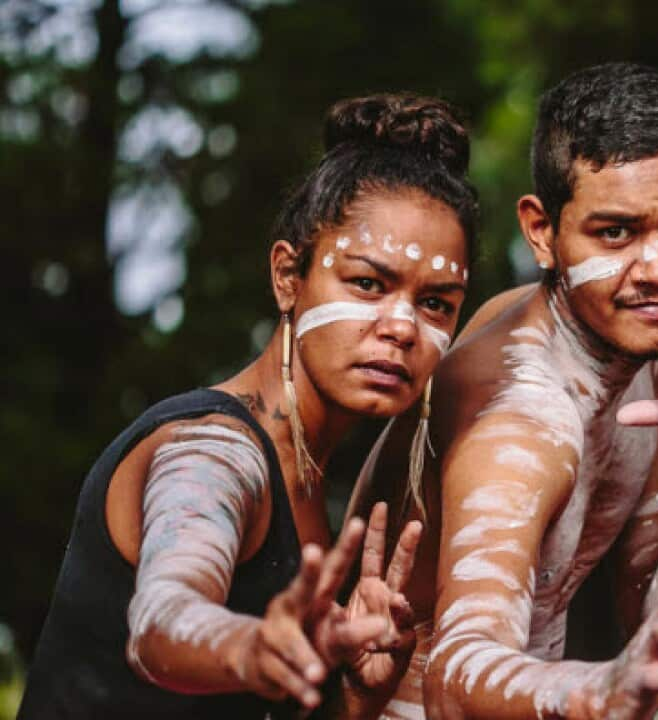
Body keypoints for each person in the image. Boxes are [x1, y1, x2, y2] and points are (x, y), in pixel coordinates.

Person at [350, 62, 658, 719]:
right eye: (616, 233)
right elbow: (453, 677)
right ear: (542, 232)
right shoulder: (520, 422)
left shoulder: (623, 347)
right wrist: (593, 691)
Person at [18, 93, 478, 719]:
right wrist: (251, 644)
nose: (401, 326)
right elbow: (163, 617)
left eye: (436, 303)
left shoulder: (320, 485)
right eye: (368, 284)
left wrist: (358, 694)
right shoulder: (212, 451)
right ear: (289, 276)